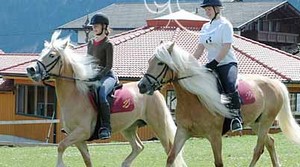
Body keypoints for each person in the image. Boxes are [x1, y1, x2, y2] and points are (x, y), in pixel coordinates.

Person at [193, 0, 243, 132]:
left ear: (217, 9)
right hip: (211, 65)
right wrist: (190, 62)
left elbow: (227, 46)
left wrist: (215, 62)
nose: (207, 12)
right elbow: (200, 48)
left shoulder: (225, 25)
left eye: (209, 9)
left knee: (229, 85)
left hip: (227, 63)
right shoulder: (205, 27)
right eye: (206, 10)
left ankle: (235, 118)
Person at [88, 13, 118, 139]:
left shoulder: (108, 44)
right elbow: (88, 61)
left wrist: (97, 76)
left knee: (101, 94)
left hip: (108, 76)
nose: (94, 28)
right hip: (93, 75)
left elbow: (108, 66)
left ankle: (106, 127)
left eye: (96, 26)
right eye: (93, 26)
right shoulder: (90, 43)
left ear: (104, 27)